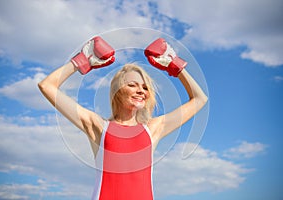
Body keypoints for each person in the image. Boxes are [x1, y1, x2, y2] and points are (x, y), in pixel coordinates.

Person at [38, 36, 208, 200]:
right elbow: (47, 86)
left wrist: (174, 63)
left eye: (145, 87)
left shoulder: (153, 129)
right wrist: (83, 60)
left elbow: (200, 99)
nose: (141, 91)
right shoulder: (98, 126)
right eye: (132, 85)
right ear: (117, 91)